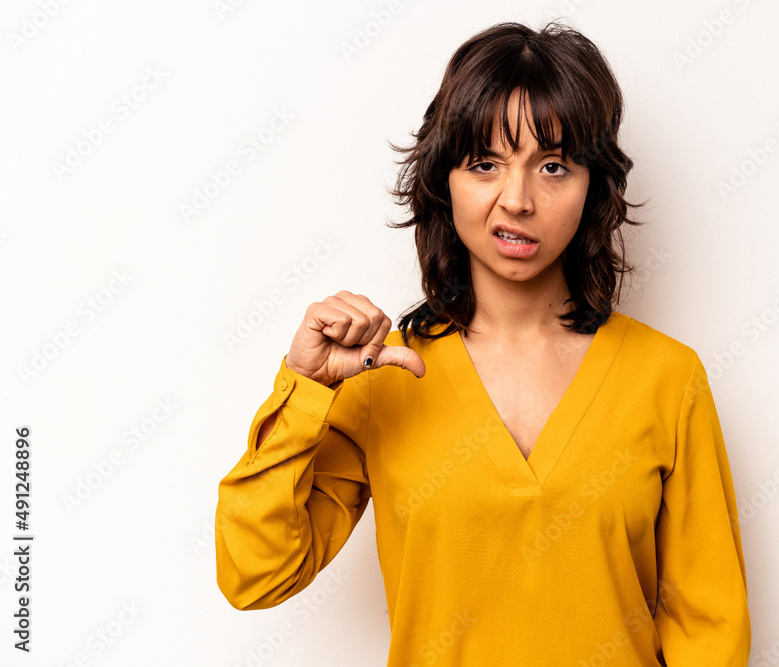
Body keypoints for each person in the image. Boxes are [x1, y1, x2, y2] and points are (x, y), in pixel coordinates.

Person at [215, 20, 751, 666]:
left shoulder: (667, 377)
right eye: (485, 164)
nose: (517, 200)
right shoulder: (381, 377)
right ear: (445, 178)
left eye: (553, 165)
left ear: (593, 184)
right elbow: (255, 573)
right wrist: (303, 390)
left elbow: (709, 631)